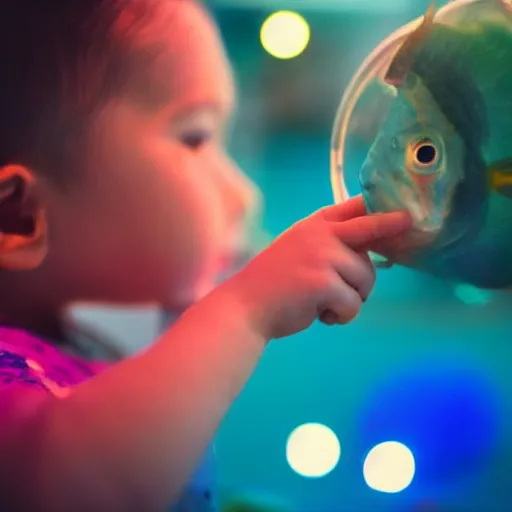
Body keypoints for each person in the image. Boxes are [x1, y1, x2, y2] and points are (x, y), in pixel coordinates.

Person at [0, 0, 411, 510]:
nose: (244, 195)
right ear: (18, 218)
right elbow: (70, 485)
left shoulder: (100, 358)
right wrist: (244, 310)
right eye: (196, 137)